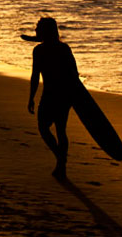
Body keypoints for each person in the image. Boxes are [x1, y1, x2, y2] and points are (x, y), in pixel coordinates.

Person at [26, 17, 79, 179]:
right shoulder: (64, 48)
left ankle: (60, 159)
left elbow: (35, 76)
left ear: (44, 31)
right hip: (65, 95)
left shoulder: (39, 50)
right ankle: (61, 163)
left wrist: (31, 98)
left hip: (50, 95)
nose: (35, 30)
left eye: (38, 28)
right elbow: (74, 74)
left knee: (43, 127)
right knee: (61, 130)